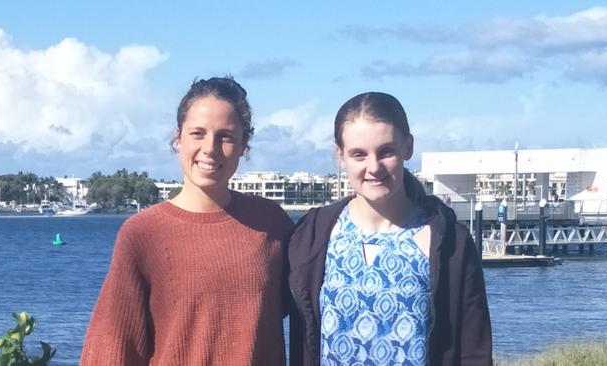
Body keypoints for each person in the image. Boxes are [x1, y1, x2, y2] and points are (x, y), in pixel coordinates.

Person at [81, 77, 294, 365]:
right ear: (178, 138)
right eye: (198, 133)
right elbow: (114, 345)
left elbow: (314, 308)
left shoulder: (271, 223)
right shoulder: (143, 232)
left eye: (226, 136)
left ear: (244, 144)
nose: (210, 148)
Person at [288, 92, 492, 365]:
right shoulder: (312, 235)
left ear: (408, 147)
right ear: (340, 156)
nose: (374, 167)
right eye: (359, 154)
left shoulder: (450, 242)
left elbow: (473, 349)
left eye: (386, 151)